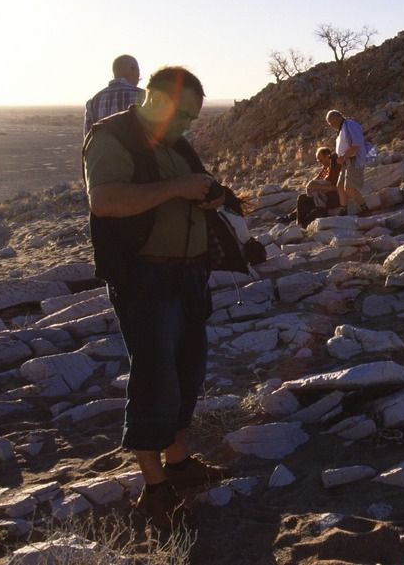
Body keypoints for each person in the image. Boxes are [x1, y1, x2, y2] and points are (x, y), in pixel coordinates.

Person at [83, 66, 228, 531]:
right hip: (145, 278)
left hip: (188, 275)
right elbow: (104, 201)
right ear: (153, 96)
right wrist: (177, 188)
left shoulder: (175, 141)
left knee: (189, 370)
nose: (187, 124)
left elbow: (196, 185)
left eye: (192, 118)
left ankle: (180, 461)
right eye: (182, 113)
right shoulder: (113, 136)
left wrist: (210, 198)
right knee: (155, 376)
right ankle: (155, 485)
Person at [83, 55, 143, 136]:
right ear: (133, 70)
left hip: (104, 148)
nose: (139, 76)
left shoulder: (93, 102)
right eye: (138, 71)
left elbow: (89, 142)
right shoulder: (144, 97)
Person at [325, 110, 367, 215]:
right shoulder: (341, 129)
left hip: (354, 159)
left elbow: (356, 144)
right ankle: (344, 210)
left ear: (337, 116)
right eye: (329, 123)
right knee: (340, 186)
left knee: (349, 188)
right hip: (345, 161)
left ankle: (365, 208)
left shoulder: (350, 125)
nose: (331, 125)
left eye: (331, 121)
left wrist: (343, 157)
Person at [293, 147, 341, 226]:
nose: (319, 163)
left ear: (327, 156)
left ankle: (302, 226)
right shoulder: (326, 168)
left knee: (311, 212)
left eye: (321, 160)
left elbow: (338, 187)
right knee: (302, 199)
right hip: (322, 197)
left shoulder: (336, 168)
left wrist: (318, 187)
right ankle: (298, 224)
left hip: (330, 199)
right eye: (318, 160)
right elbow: (313, 182)